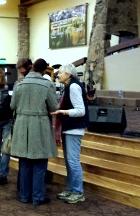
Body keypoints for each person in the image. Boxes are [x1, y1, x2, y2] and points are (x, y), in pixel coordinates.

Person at [10, 58, 59, 206]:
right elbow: (54, 107)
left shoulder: (19, 84)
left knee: (24, 162)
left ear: (32, 68)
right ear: (44, 70)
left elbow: (12, 106)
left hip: (22, 124)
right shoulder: (47, 85)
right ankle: (37, 197)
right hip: (39, 125)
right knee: (39, 162)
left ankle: (24, 195)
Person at [51, 64, 89, 204]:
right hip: (69, 128)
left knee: (73, 162)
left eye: (60, 72)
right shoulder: (69, 86)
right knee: (69, 161)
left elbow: (81, 110)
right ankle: (71, 189)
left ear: (68, 74)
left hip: (74, 128)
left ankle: (78, 192)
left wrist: (63, 112)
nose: (58, 75)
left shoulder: (73, 87)